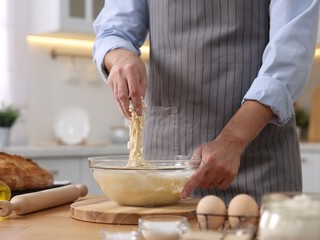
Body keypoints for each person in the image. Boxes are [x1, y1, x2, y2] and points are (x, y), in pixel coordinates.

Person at [93, 0, 320, 204]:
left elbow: (290, 55)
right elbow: (113, 30)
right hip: (163, 171)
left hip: (259, 165)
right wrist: (120, 55)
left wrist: (234, 139)